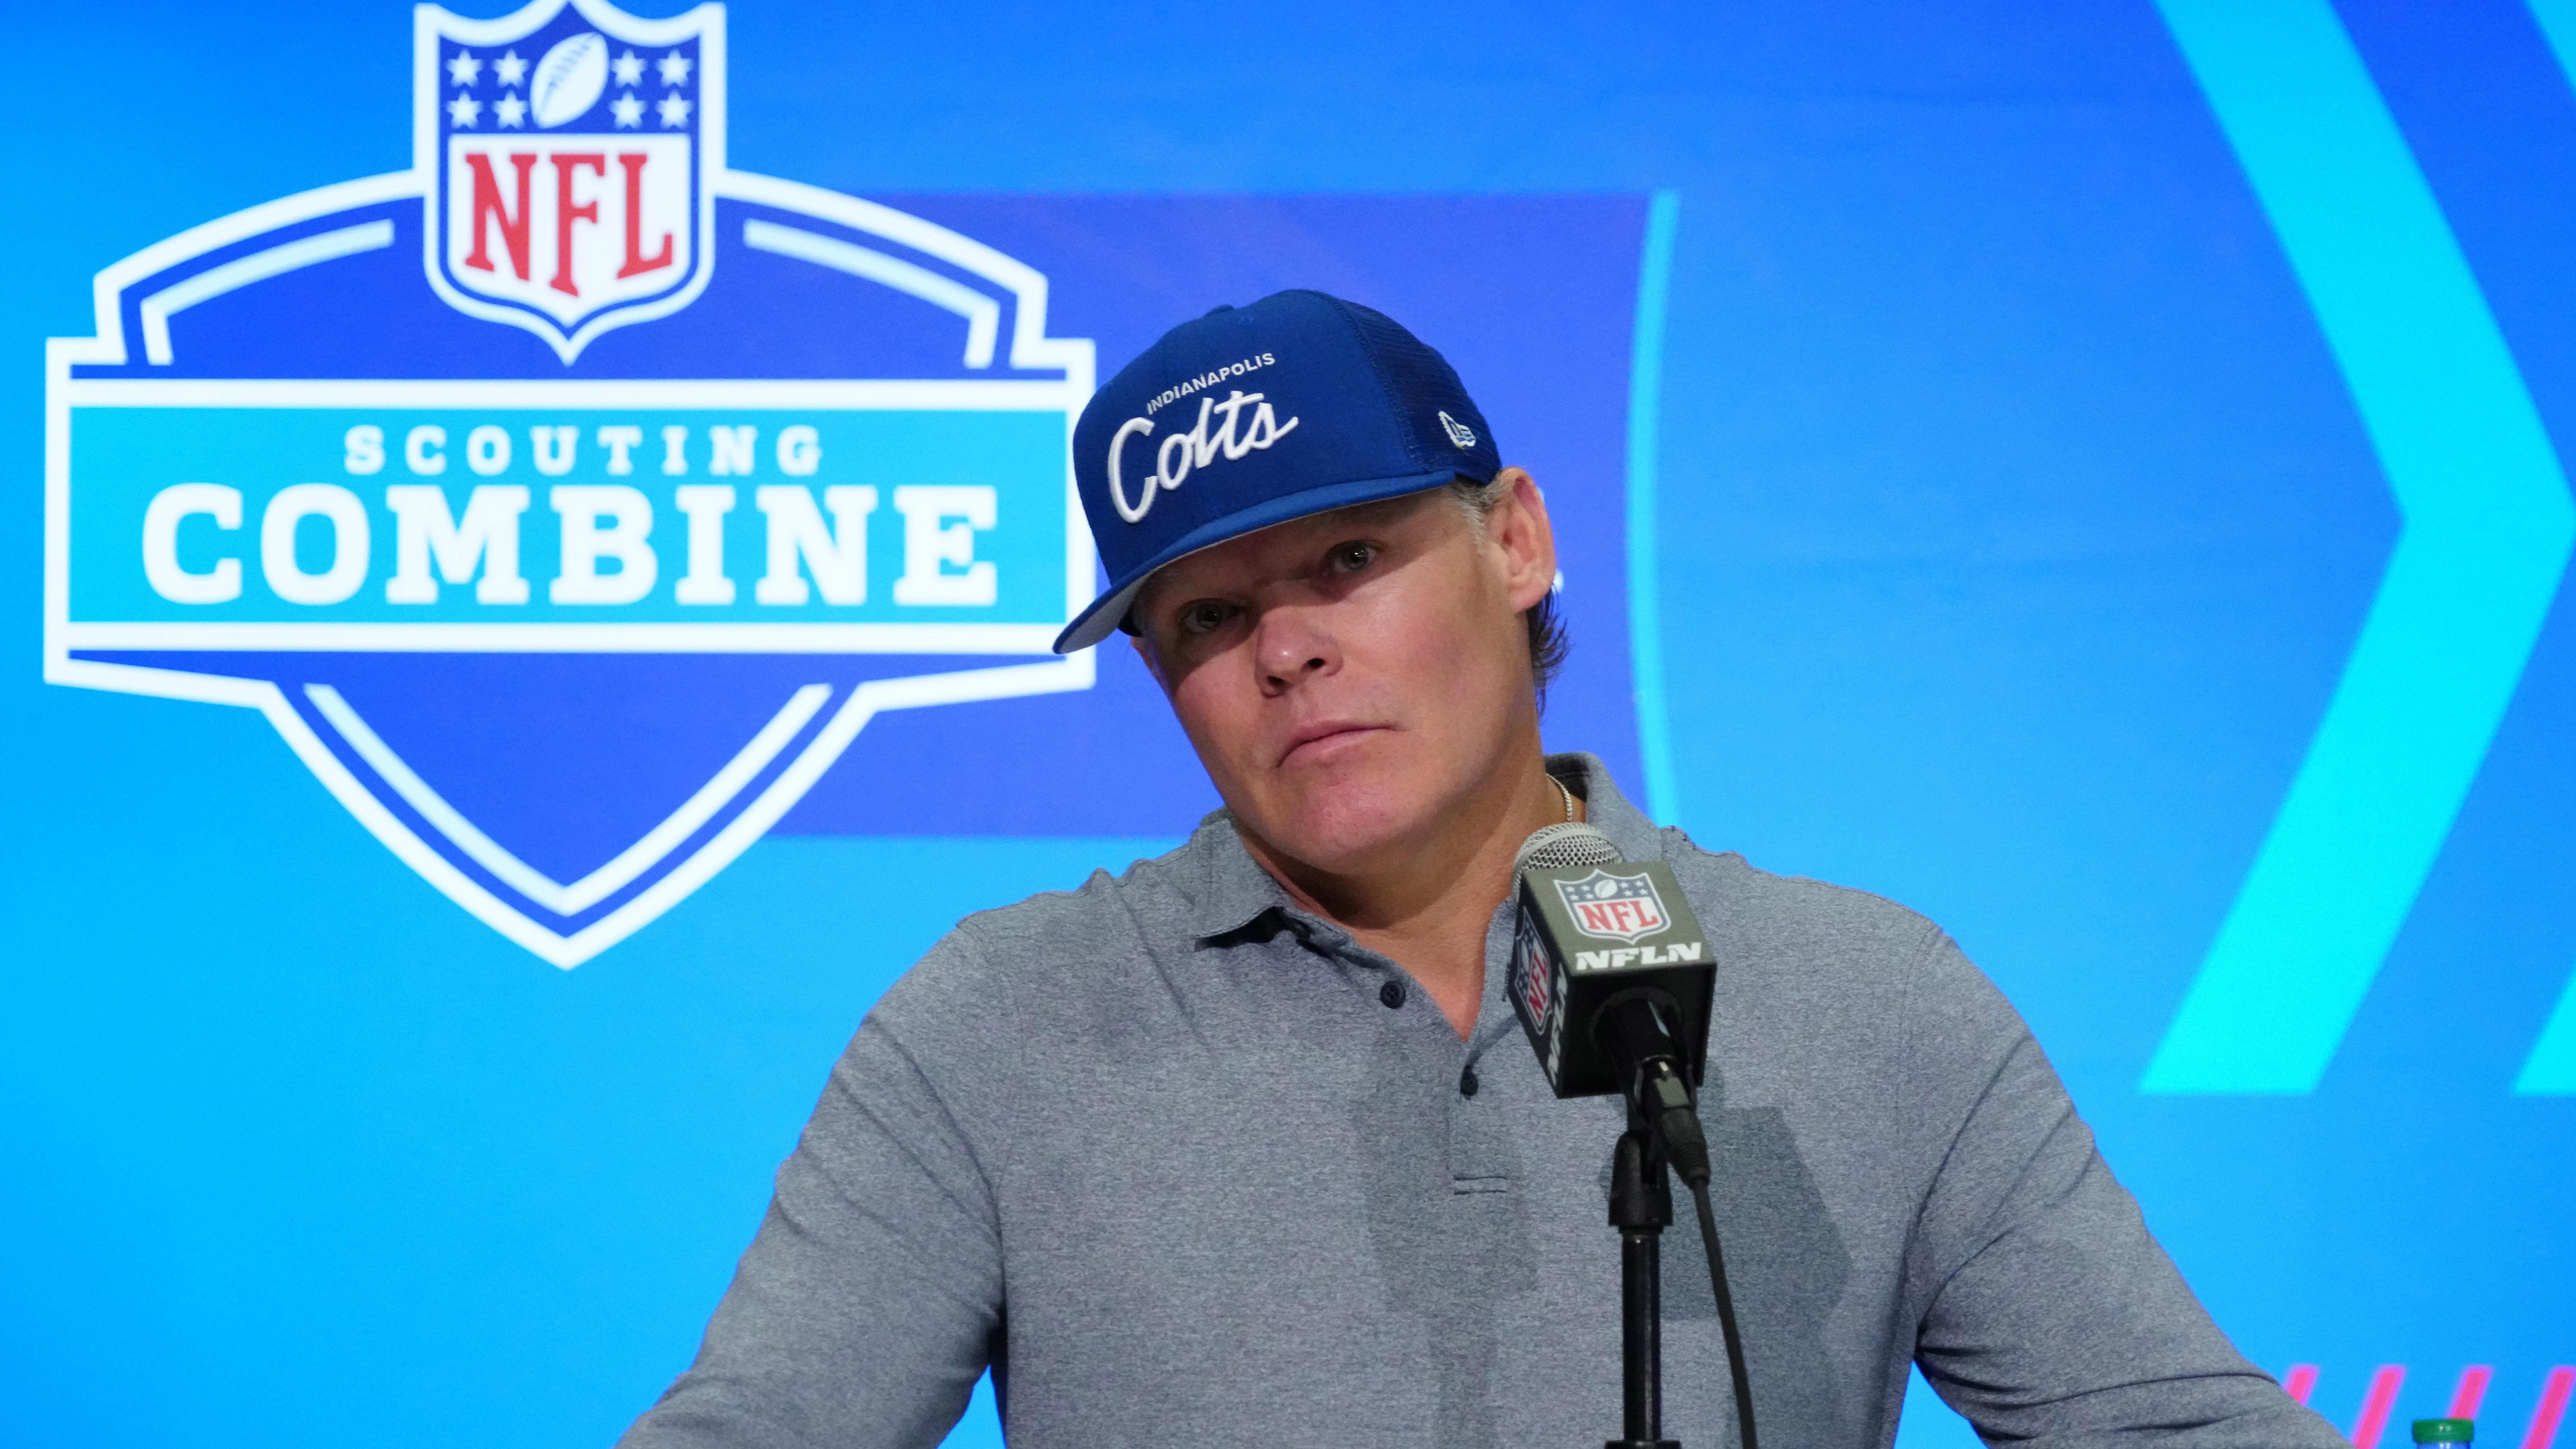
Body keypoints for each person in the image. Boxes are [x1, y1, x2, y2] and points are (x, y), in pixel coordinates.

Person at [620, 290, 2340, 1449]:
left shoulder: (1864, 992)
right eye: (1208, 617)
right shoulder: (993, 1028)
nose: (1283, 649)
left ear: (1514, 539)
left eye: (1347, 559)